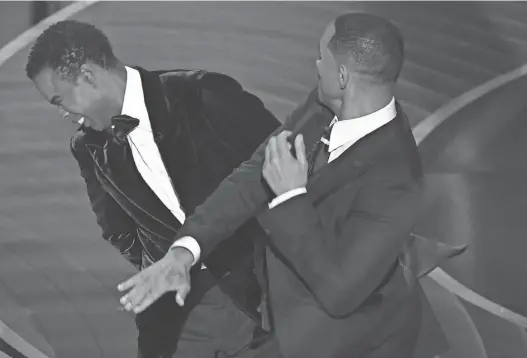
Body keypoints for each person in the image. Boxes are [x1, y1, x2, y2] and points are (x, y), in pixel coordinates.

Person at [118, 13, 463, 358]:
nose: (315, 65)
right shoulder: (324, 106)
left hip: (346, 342)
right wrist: (185, 250)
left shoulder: (396, 179)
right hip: (285, 320)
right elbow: (254, 174)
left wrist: (291, 197)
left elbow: (340, 292)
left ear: (342, 76)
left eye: (321, 58)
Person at [25, 20, 281, 358]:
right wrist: (161, 262)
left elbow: (287, 167)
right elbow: (117, 229)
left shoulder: (202, 95)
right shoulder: (87, 147)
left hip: (261, 292)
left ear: (88, 76)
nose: (62, 114)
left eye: (60, 100)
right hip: (178, 309)